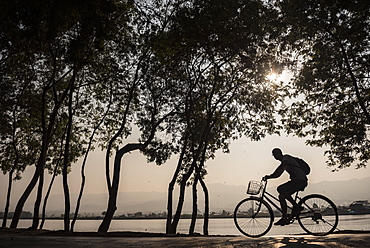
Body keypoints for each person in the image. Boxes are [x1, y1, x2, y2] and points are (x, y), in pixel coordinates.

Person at [263, 148, 308, 226]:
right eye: (274, 155)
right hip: (298, 181)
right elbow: (278, 174)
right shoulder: (284, 162)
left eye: (276, 154)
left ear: (280, 153)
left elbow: (279, 169)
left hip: (300, 181)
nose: (275, 156)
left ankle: (296, 206)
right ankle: (284, 217)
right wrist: (270, 176)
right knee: (281, 196)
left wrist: (270, 176)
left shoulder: (286, 159)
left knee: (280, 189)